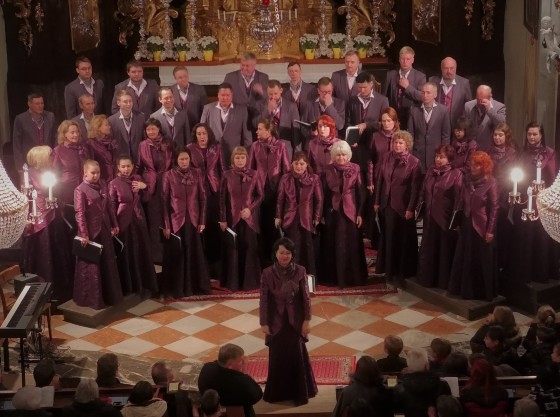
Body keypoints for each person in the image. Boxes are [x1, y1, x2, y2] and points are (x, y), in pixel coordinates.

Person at [260, 237, 318, 405]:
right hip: (276, 322)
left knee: (296, 357)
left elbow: (306, 298)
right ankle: (278, 394)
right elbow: (264, 300)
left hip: (295, 322)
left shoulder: (300, 271)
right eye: (281, 253)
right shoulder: (267, 273)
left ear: (292, 255)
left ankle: (300, 393)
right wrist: (264, 322)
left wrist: (307, 320)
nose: (285, 256)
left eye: (288, 253)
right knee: (278, 358)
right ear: (275, 254)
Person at [508, 122, 559, 284]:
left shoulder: (549, 153)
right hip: (524, 200)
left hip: (541, 202)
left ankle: (540, 272)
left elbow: (552, 177)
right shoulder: (522, 153)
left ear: (541, 135)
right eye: (529, 134)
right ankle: (523, 272)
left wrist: (542, 196)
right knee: (523, 235)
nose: (531, 137)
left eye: (535, 134)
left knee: (540, 237)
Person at [22, 146, 74, 303]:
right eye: (50, 156)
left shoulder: (51, 172)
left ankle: (60, 288)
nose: (53, 158)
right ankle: (44, 289)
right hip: (39, 216)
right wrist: (26, 218)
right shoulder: (30, 175)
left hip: (53, 213)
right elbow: (25, 198)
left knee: (57, 249)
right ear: (42, 158)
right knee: (44, 251)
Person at [448, 151, 499, 301]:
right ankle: (465, 291)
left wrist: (490, 230)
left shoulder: (491, 182)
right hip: (466, 223)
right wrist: (457, 221)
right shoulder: (467, 179)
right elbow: (460, 201)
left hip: (482, 226)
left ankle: (482, 292)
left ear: (484, 167)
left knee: (481, 259)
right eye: (472, 164)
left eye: (477, 165)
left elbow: (495, 207)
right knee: (465, 257)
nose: (473, 167)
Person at [74, 160, 123, 310]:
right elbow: (79, 213)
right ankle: (91, 299)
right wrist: (84, 234)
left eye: (98, 172)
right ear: (85, 173)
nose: (96, 175)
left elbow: (109, 207)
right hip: (90, 232)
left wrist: (114, 223)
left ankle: (110, 296)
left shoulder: (103, 184)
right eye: (93, 173)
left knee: (108, 261)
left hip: (104, 229)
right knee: (92, 266)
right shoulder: (80, 189)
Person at [162, 147, 210, 297]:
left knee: (194, 253)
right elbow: (164, 202)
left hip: (194, 220)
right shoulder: (168, 175)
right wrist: (167, 225)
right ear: (176, 160)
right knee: (178, 254)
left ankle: (194, 285)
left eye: (186, 159)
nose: (184, 162)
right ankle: (178, 287)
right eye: (181, 159)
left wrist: (202, 220)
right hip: (176, 221)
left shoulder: (197, 173)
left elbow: (203, 198)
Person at [374, 130, 422, 279]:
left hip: (403, 206)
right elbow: (380, 180)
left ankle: (403, 270)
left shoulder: (414, 162)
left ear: (407, 145)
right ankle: (389, 269)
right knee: (389, 237)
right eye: (395, 142)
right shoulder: (386, 157)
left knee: (403, 239)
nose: (397, 145)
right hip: (387, 204)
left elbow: (415, 188)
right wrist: (377, 201)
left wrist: (411, 208)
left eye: (401, 142)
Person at [320, 141, 368, 287]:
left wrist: (360, 213)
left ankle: (354, 278)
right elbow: (323, 194)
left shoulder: (356, 168)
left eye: (344, 155)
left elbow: (361, 193)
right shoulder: (327, 170)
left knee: (352, 245)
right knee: (335, 245)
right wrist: (322, 214)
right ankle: (336, 278)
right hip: (333, 212)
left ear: (349, 155)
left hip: (351, 211)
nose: (341, 158)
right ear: (333, 156)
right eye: (338, 155)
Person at [109, 155, 158, 296]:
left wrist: (145, 187)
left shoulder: (137, 179)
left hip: (139, 219)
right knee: (127, 252)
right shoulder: (114, 183)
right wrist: (114, 224)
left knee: (141, 250)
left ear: (132, 166)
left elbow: (147, 198)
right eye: (123, 166)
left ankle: (144, 283)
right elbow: (111, 206)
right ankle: (129, 285)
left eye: (128, 166)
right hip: (123, 221)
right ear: (118, 167)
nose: (126, 169)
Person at [416, 145, 463, 289]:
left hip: (445, 218)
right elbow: (423, 192)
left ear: (449, 159)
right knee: (429, 248)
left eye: (441, 157)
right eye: (436, 156)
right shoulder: (431, 171)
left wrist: (456, 220)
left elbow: (458, 198)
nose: (438, 159)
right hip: (429, 217)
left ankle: (443, 282)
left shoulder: (456, 174)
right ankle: (427, 279)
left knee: (444, 250)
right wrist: (419, 209)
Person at [219, 146, 264, 290]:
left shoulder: (254, 174)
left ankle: (249, 283)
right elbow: (222, 199)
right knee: (233, 249)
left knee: (249, 248)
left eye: (242, 157)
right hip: (232, 219)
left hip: (248, 219)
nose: (240, 160)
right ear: (233, 159)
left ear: (247, 159)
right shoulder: (226, 175)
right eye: (237, 157)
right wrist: (223, 219)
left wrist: (250, 209)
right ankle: (233, 282)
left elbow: (260, 195)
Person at [249, 118, 290, 265]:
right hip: (259, 190)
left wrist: (285, 188)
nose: (257, 131)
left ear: (268, 131)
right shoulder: (255, 146)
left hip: (275, 189)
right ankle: (262, 259)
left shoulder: (281, 145)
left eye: (260, 129)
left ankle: (275, 258)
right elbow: (251, 168)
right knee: (261, 223)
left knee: (273, 224)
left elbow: (286, 168)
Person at [275, 151, 323, 275]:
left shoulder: (314, 178)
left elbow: (319, 200)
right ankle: (291, 275)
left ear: (306, 165)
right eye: (296, 163)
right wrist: (278, 216)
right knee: (292, 246)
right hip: (290, 218)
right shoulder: (285, 178)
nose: (299, 166)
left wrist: (317, 216)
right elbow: (280, 200)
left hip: (307, 218)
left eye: (302, 164)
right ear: (292, 164)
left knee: (307, 247)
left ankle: (309, 275)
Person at [187, 123, 225, 275]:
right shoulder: (189, 148)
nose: (202, 136)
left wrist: (224, 190)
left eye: (204, 133)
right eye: (199, 134)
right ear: (195, 135)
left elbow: (222, 170)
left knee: (214, 226)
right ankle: (201, 265)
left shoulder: (216, 148)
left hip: (214, 190)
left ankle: (215, 264)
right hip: (197, 191)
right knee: (200, 226)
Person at [136, 117, 173, 264]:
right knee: (154, 221)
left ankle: (170, 255)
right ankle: (156, 257)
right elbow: (138, 166)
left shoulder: (168, 143)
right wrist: (141, 183)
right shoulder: (142, 145)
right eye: (148, 129)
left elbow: (173, 163)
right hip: (150, 187)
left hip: (168, 184)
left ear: (159, 129)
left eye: (153, 128)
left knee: (169, 218)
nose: (151, 132)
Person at [198, 343, 263, 417]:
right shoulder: (242, 382)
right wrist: (244, 373)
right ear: (230, 364)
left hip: (212, 409)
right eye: (241, 361)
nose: (244, 362)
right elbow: (257, 395)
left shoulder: (207, 368)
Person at [346, 71, 389, 182]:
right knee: (359, 176)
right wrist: (352, 138)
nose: (362, 90)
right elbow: (348, 122)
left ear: (371, 84)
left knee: (373, 177)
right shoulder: (352, 100)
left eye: (364, 87)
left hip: (374, 144)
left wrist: (367, 125)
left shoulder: (382, 100)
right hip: (357, 146)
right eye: (359, 87)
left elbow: (384, 123)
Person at [200, 82, 253, 165]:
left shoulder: (242, 110)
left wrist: (246, 155)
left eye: (227, 95)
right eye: (222, 95)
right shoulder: (208, 108)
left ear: (232, 95)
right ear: (218, 95)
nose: (225, 98)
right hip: (213, 154)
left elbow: (247, 136)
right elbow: (201, 132)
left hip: (234, 155)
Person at [488, 123, 516, 272]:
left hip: (506, 193)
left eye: (500, 135)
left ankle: (503, 263)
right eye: (495, 135)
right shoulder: (488, 152)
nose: (497, 138)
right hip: (490, 192)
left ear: (506, 136)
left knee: (503, 227)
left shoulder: (513, 153)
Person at [393, 348, 451, 417]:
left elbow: (397, 413)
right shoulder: (442, 385)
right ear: (427, 365)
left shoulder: (399, 389)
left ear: (408, 367)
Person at [408, 82, 451, 171]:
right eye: (423, 92)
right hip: (418, 155)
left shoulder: (443, 111)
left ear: (435, 94)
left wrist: (443, 155)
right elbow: (410, 135)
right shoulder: (414, 110)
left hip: (436, 156)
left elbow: (446, 135)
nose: (425, 95)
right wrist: (411, 154)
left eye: (428, 93)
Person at [12, 93, 57, 176]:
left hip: (48, 162)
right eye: (37, 104)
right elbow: (17, 144)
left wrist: (55, 159)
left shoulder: (50, 116)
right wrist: (19, 166)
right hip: (29, 163)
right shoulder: (20, 119)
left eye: (42, 103)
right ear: (29, 104)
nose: (40, 106)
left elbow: (55, 138)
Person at [223, 52, 269, 132]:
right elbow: (224, 96)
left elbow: (268, 98)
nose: (244, 68)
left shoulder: (263, 77)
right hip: (236, 118)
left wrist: (262, 92)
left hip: (257, 119)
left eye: (247, 66)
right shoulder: (230, 77)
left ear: (254, 65)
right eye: (242, 65)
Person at [383, 46, 426, 130]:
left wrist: (408, 87)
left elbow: (422, 96)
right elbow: (385, 96)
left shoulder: (420, 76)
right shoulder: (390, 75)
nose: (405, 62)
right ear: (399, 59)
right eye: (402, 59)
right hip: (393, 116)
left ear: (412, 60)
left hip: (411, 116)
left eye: (408, 59)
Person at [53, 120, 91, 207]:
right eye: (72, 132)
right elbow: (55, 173)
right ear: (64, 134)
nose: (76, 135)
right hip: (67, 190)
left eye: (77, 132)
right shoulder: (58, 150)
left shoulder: (83, 148)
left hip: (84, 187)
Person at [428, 57, 472, 127]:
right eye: (446, 68)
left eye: (452, 68)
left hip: (456, 125)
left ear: (456, 68)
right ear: (441, 68)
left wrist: (462, 123)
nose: (449, 71)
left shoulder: (464, 83)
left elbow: (468, 105)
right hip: (436, 124)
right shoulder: (432, 80)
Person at [262, 79, 300, 156]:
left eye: (275, 93)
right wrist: (268, 111)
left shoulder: (291, 106)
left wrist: (297, 154)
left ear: (281, 90)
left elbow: (296, 132)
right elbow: (260, 126)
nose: (273, 97)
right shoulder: (262, 106)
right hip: (267, 150)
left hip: (286, 150)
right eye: (270, 94)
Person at [108, 89, 146, 163]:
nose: (128, 104)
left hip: (138, 159)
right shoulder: (111, 120)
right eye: (125, 102)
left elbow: (143, 138)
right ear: (118, 103)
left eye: (130, 101)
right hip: (121, 160)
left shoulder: (140, 117)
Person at [464, 85, 506, 152]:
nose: (480, 102)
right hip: (472, 148)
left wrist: (490, 110)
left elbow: (501, 124)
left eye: (482, 99)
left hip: (490, 149)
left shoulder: (500, 107)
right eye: (478, 99)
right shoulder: (468, 106)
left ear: (490, 96)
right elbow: (465, 127)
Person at [304, 76, 346, 141]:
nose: (326, 95)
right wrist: (311, 132)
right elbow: (303, 129)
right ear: (318, 91)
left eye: (329, 92)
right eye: (324, 92)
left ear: (332, 89)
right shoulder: (309, 105)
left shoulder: (340, 104)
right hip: (315, 142)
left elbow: (340, 125)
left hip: (333, 142)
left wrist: (330, 106)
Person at [86, 115, 117, 182]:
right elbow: (90, 164)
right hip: (100, 179)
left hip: (114, 178)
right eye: (106, 125)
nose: (109, 127)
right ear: (98, 127)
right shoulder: (91, 143)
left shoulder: (111, 141)